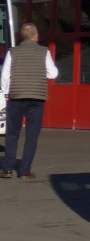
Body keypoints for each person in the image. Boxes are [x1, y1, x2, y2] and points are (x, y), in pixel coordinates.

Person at [1, 23, 59, 180]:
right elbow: (53, 73)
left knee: (12, 133)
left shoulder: (12, 52)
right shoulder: (43, 52)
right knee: (31, 135)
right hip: (37, 97)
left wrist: (7, 93)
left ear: (22, 36)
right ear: (36, 36)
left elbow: (5, 75)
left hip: (16, 96)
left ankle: (7, 169)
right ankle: (24, 171)